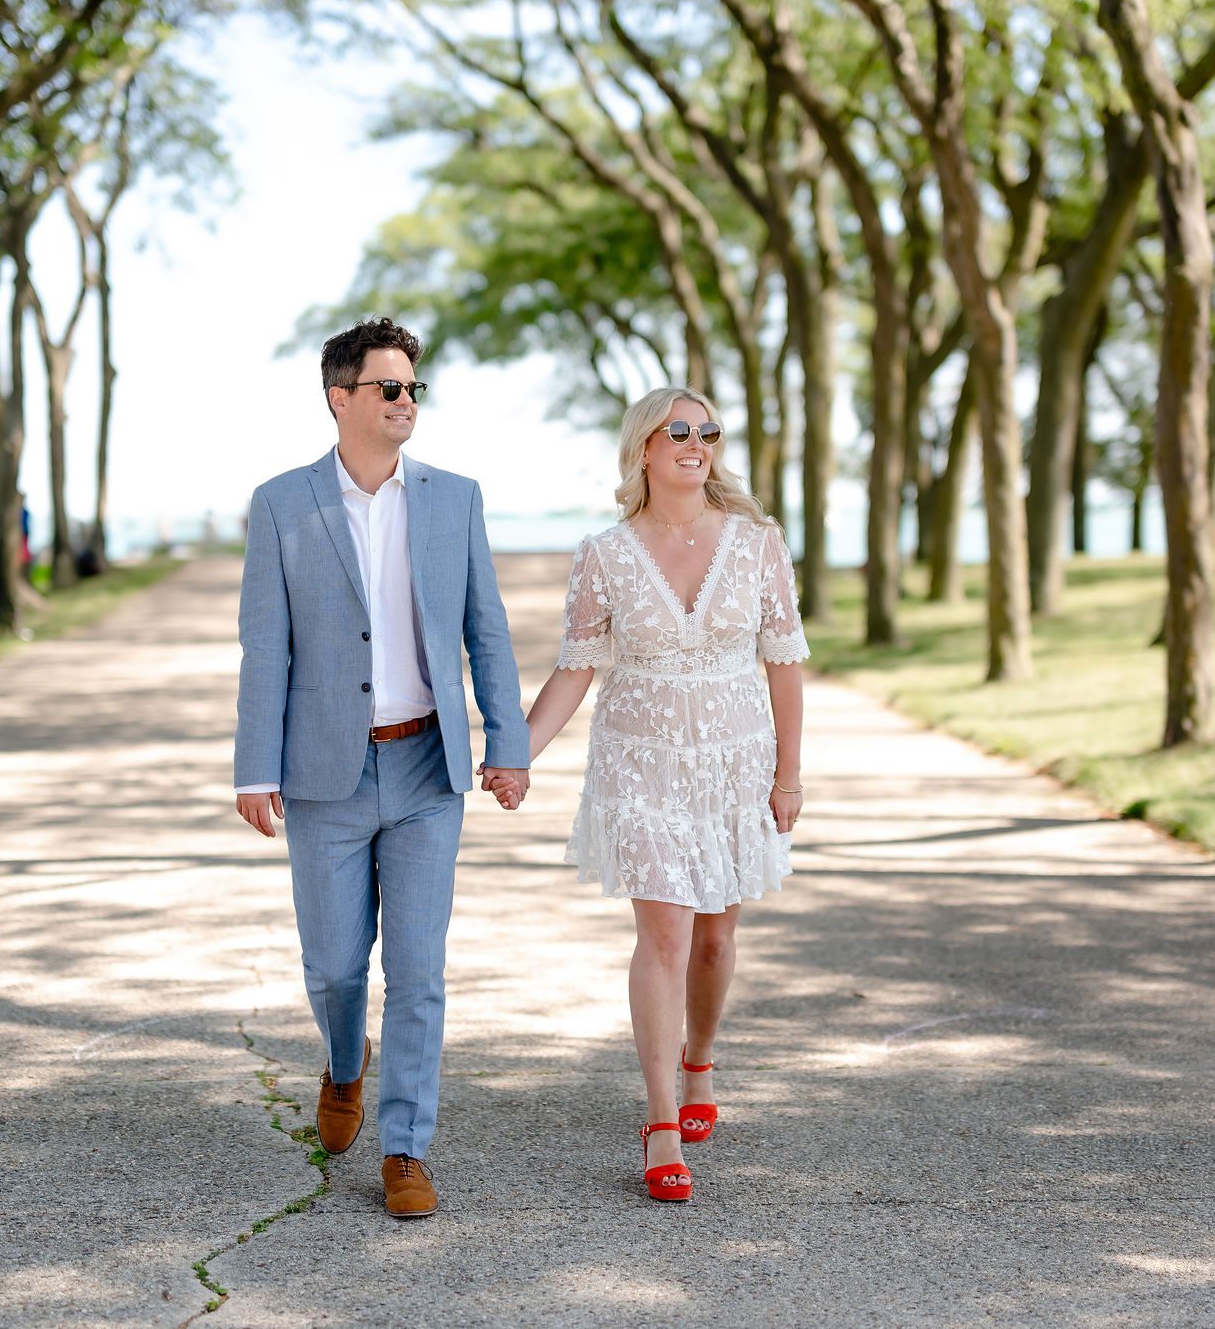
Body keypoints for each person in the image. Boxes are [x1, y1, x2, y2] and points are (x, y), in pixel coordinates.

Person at [233, 316, 530, 1220]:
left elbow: (486, 629)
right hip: (324, 770)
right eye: (389, 388)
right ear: (341, 398)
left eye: (414, 389)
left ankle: (406, 1146)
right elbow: (265, 646)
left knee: (419, 968)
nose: (406, 403)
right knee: (332, 964)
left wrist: (507, 742)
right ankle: (341, 1058)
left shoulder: (455, 498)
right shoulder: (283, 504)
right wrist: (254, 766)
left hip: (425, 768)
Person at [507, 385, 807, 1204]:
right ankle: (662, 1120)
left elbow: (784, 659)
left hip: (732, 768)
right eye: (679, 430)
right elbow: (576, 669)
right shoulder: (602, 553)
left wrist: (789, 773)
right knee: (665, 935)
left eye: (707, 431)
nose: (696, 443)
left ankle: (699, 1056)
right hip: (639, 766)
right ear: (644, 446)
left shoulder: (757, 543)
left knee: (714, 941)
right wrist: (516, 753)